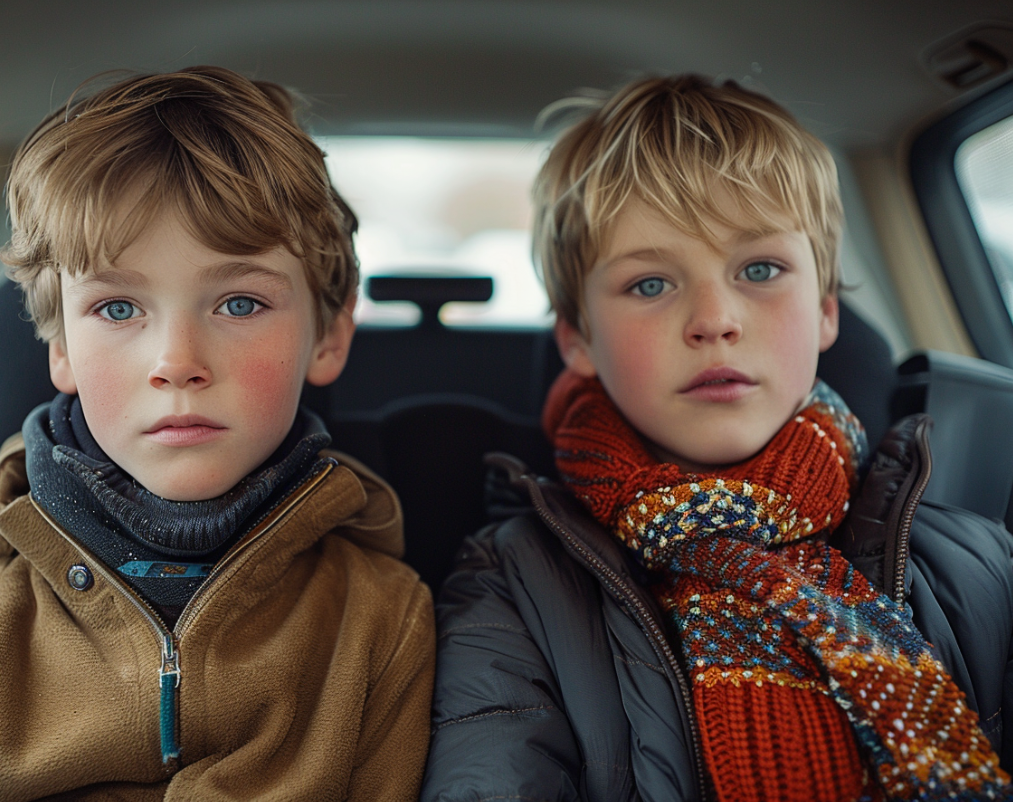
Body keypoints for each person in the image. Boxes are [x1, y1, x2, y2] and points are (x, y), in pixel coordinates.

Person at [0, 66, 434, 801]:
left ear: (329, 336)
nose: (177, 363)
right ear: (60, 349)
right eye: (118, 310)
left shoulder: (381, 618)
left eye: (239, 303)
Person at [421, 75, 1012, 801]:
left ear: (825, 310)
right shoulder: (514, 583)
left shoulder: (977, 562)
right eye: (649, 284)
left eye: (759, 269)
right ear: (577, 340)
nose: (715, 318)